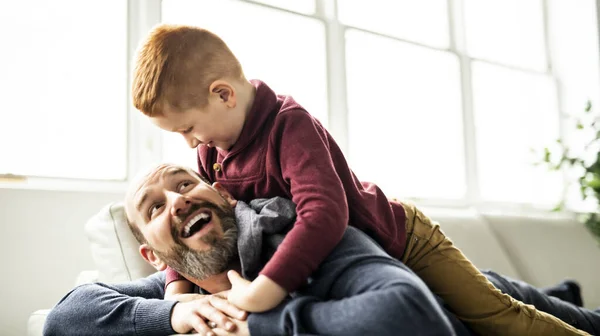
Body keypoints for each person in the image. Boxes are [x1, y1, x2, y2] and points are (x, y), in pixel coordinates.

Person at [132, 24, 590, 335]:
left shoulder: (290, 126)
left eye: (187, 128)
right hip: (356, 275)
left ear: (223, 94)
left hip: (402, 239)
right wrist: (176, 292)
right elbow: (201, 210)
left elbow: (325, 214)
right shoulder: (213, 150)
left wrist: (261, 295)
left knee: (497, 315)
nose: (191, 145)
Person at [43, 164, 600, 336]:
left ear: (225, 194)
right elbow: (63, 318)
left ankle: (562, 296)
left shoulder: (296, 235)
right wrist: (170, 312)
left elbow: (410, 317)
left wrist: (254, 322)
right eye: (154, 207)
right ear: (153, 256)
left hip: (476, 308)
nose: (177, 201)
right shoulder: (180, 296)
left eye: (185, 184)